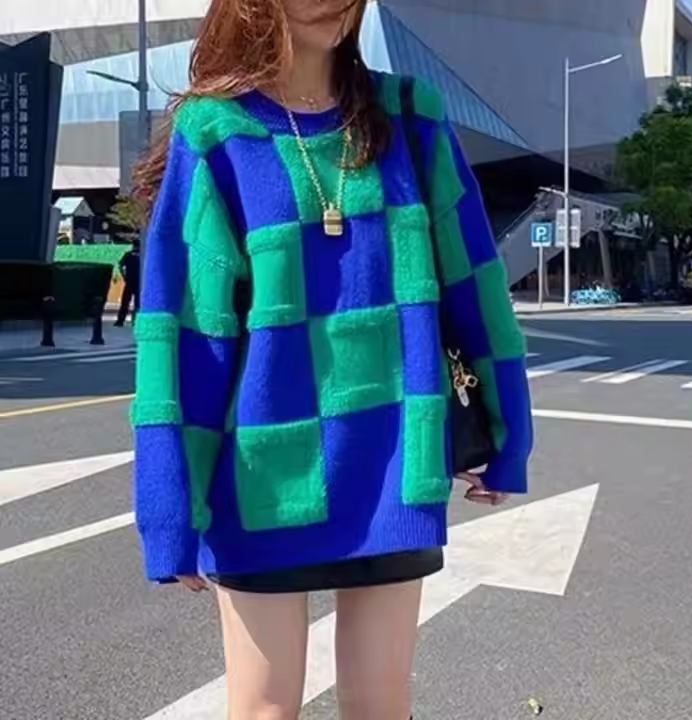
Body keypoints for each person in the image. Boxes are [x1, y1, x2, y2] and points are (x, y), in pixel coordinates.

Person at [131, 1, 533, 718]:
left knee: (380, 705)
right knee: (264, 710)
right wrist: (169, 508)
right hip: (260, 474)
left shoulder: (410, 116)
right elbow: (184, 332)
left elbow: (474, 282)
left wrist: (509, 432)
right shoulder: (217, 131)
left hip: (395, 461)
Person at [114, 238, 140, 327]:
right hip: (139, 281)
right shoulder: (143, 255)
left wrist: (124, 276)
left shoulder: (128, 254)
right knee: (138, 302)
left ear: (133, 245)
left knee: (125, 302)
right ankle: (135, 321)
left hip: (129, 281)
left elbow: (120, 266)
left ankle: (120, 321)